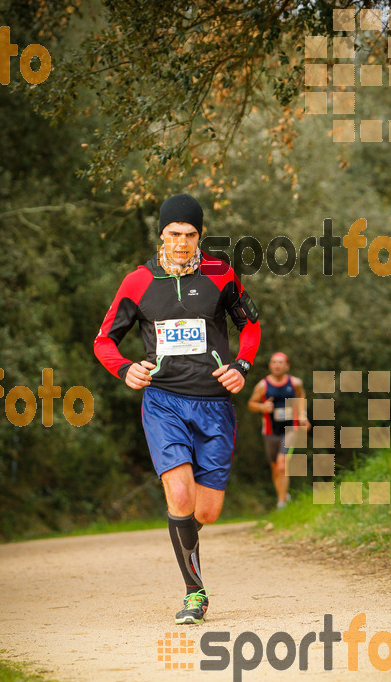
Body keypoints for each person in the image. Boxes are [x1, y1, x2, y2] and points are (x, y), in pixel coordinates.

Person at [94, 194, 261, 623]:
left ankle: (180, 529)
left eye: (190, 235)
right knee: (181, 493)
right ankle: (194, 592)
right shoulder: (138, 281)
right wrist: (124, 368)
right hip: (164, 401)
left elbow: (251, 325)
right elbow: (104, 340)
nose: (182, 243)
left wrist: (241, 366)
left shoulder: (222, 275)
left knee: (205, 511)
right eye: (174, 235)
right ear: (161, 235)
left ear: (200, 235)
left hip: (214, 404)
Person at [248, 352, 309, 509]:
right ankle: (283, 496)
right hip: (270, 431)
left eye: (281, 362)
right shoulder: (263, 385)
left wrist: (302, 415)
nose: (277, 365)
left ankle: (281, 504)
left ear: (287, 366)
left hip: (290, 429)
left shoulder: (295, 383)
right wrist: (262, 407)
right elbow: (251, 404)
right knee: (276, 468)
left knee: (282, 465)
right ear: (270, 365)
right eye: (274, 362)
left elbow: (301, 396)